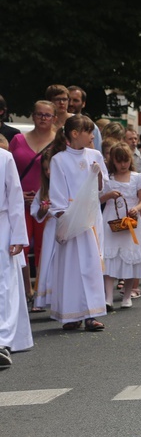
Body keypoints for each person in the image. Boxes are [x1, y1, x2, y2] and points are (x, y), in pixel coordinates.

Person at [48, 115, 107, 331]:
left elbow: (103, 186)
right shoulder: (59, 160)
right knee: (71, 266)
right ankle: (71, 314)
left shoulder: (96, 155)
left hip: (90, 217)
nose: (93, 136)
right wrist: (66, 216)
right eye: (89, 131)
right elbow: (57, 193)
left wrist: (98, 174)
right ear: (74, 134)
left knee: (91, 265)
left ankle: (92, 314)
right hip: (72, 217)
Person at [9, 100, 57, 309]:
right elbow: (8, 172)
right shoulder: (18, 140)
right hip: (19, 202)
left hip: (48, 202)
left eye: (47, 115)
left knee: (44, 247)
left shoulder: (59, 142)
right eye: (39, 114)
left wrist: (43, 197)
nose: (42, 118)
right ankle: (26, 290)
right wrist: (18, 194)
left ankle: (41, 292)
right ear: (32, 115)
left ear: (54, 118)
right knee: (21, 244)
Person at [99, 142, 141, 309]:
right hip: (111, 220)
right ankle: (108, 297)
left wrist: (136, 208)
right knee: (109, 258)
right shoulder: (108, 179)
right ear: (112, 162)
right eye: (118, 161)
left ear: (130, 160)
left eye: (125, 161)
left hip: (131, 220)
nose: (123, 165)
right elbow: (97, 199)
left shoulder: (138, 178)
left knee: (132, 257)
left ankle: (127, 295)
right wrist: (108, 195)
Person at [0, 145, 32, 369]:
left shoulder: (5, 158)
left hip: (2, 225)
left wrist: (18, 235)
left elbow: (14, 198)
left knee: (5, 283)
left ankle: (2, 341)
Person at [30, 152, 55, 311]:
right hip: (51, 228)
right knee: (47, 262)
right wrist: (43, 210)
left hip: (65, 227)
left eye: (50, 168)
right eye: (45, 169)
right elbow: (36, 213)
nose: (48, 172)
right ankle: (45, 297)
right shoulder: (43, 190)